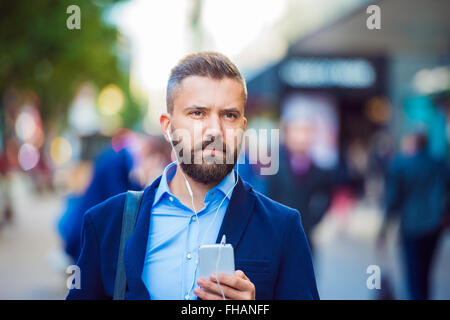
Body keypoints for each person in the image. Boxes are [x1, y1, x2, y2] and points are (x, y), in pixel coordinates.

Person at [67, 52, 318, 300]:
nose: (215, 131)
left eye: (228, 115)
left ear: (242, 128)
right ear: (167, 127)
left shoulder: (283, 228)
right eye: (197, 113)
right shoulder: (107, 223)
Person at [377, 131, 450, 300]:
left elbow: (392, 200)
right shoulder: (438, 163)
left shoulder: (401, 165)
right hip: (433, 225)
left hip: (411, 226)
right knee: (425, 273)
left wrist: (383, 229)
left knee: (413, 275)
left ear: (411, 143)